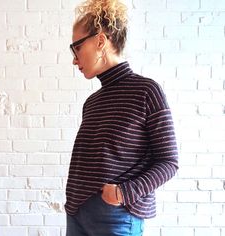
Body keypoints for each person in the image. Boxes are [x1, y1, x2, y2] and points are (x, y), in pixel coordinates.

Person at [65, 0, 178, 235]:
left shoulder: (147, 92)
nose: (74, 59)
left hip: (116, 215)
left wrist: (123, 193)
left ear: (100, 41)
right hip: (76, 214)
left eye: (76, 47)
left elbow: (169, 162)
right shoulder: (92, 102)